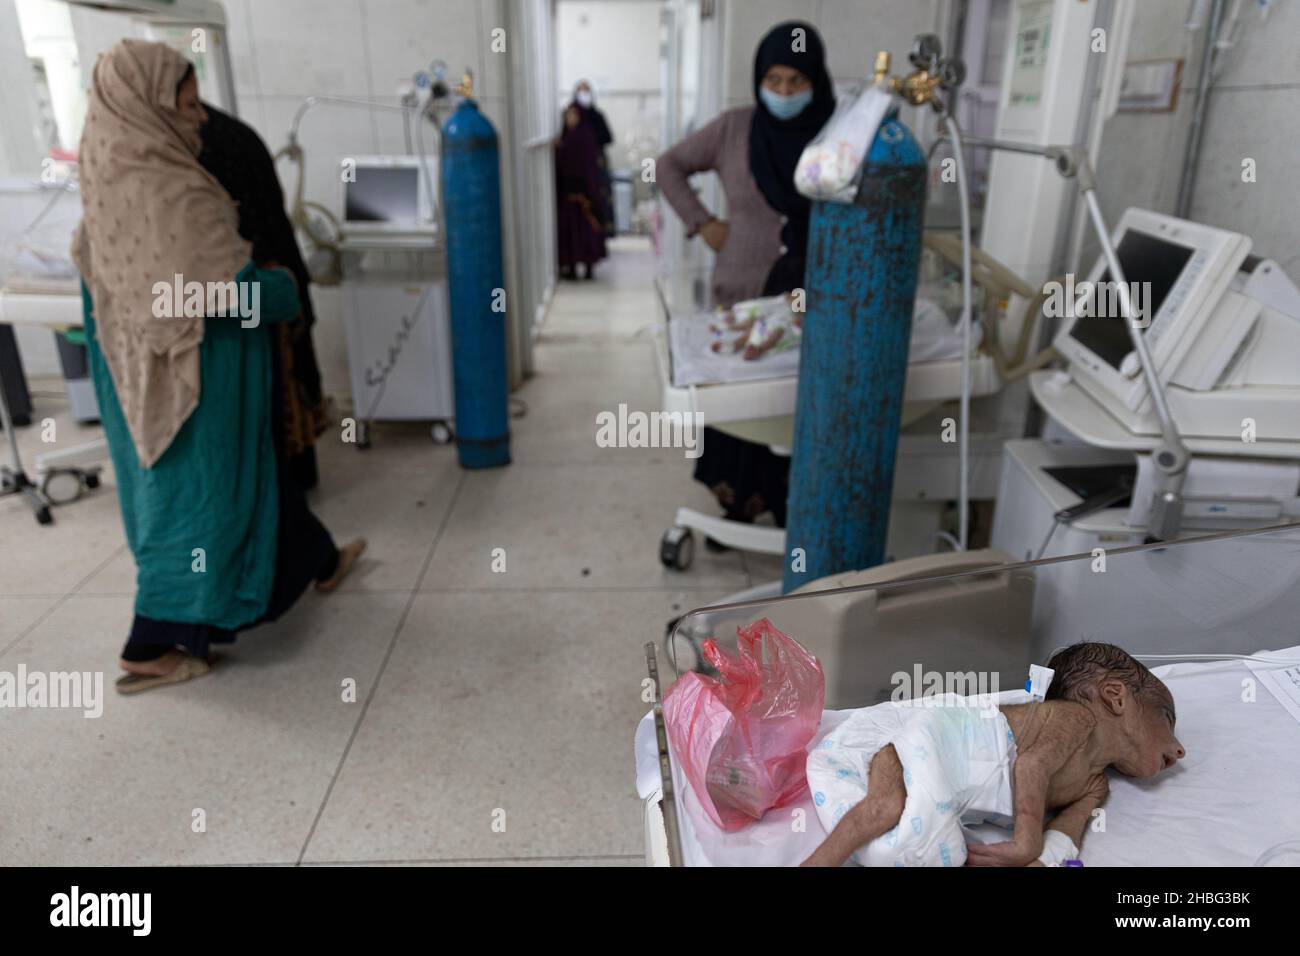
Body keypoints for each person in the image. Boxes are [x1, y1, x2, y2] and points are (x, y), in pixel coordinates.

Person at [71, 40, 365, 694]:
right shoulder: (166, 188)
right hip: (197, 390)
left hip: (143, 376)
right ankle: (151, 642)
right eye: (185, 101)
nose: (200, 116)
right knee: (202, 507)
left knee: (259, 486)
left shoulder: (110, 170)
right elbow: (221, 295)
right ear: (147, 103)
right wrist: (283, 288)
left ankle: (317, 560)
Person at [656, 21, 835, 532]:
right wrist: (703, 223)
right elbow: (667, 165)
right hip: (741, 293)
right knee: (740, 409)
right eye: (773, 80)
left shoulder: (837, 133)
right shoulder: (735, 128)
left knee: (796, 408)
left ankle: (792, 515)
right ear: (759, 79)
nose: (782, 93)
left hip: (812, 295)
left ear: (814, 82)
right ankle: (735, 511)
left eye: (795, 82)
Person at [801, 643, 1186, 867]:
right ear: (1116, 697)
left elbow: (1068, 830)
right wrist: (1026, 841)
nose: (1179, 748)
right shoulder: (1076, 720)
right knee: (881, 809)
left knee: (937, 847)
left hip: (952, 789)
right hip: (937, 740)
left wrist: (1045, 860)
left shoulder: (1095, 784)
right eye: (1166, 719)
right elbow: (1032, 764)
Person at [198, 103, 329, 491]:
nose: (197, 117)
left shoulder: (218, 144)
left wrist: (268, 294)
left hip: (241, 299)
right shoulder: (162, 165)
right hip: (228, 303)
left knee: (268, 395)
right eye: (187, 105)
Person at [555, 104, 608, 280]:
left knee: (586, 230)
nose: (570, 119)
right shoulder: (566, 135)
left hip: (585, 193)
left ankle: (588, 266)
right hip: (569, 193)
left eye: (573, 115)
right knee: (570, 231)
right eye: (568, 115)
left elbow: (585, 162)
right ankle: (570, 267)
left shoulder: (585, 135)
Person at [571, 80, 614, 234]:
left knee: (599, 197)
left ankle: (601, 233)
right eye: (581, 91)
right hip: (577, 165)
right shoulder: (571, 114)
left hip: (596, 163)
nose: (584, 95)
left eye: (587, 91)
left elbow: (608, 137)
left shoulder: (597, 115)